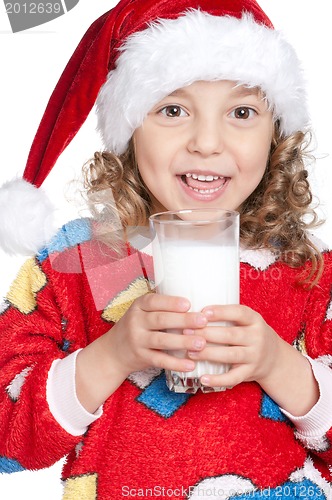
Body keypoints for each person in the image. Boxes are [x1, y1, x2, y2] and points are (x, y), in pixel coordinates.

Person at [0, 0, 332, 498]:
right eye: (173, 109)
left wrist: (277, 364)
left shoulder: (306, 270)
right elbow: (8, 436)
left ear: (275, 135)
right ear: (130, 127)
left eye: (241, 112)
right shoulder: (79, 259)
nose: (206, 142)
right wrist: (112, 355)